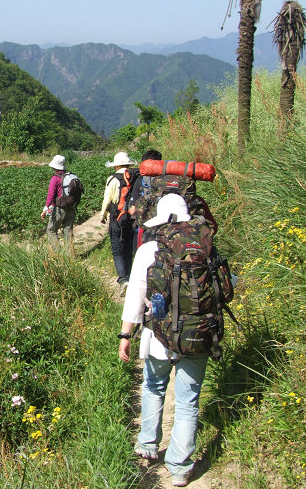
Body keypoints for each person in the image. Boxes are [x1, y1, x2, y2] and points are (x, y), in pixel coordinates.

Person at [118, 194, 208, 488]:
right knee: (188, 402)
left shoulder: (149, 250)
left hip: (158, 335)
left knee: (154, 385)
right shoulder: (205, 246)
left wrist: (126, 334)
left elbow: (135, 296)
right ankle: (180, 467)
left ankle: (147, 444)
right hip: (197, 334)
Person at [100, 151, 137, 294]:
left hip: (117, 217)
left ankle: (123, 279)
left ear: (116, 166)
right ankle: (130, 276)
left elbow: (107, 199)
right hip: (133, 218)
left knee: (117, 250)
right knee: (129, 248)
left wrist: (102, 215)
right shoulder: (136, 177)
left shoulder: (113, 179)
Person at [128, 149, 163, 253]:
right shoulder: (166, 179)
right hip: (165, 227)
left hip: (145, 227)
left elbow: (134, 209)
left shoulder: (140, 180)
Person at [41, 155, 77, 252]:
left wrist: (45, 208)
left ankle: (58, 254)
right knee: (68, 231)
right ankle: (69, 256)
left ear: (54, 167)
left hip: (60, 209)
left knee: (51, 230)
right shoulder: (71, 176)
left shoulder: (55, 178)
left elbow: (51, 195)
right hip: (71, 208)